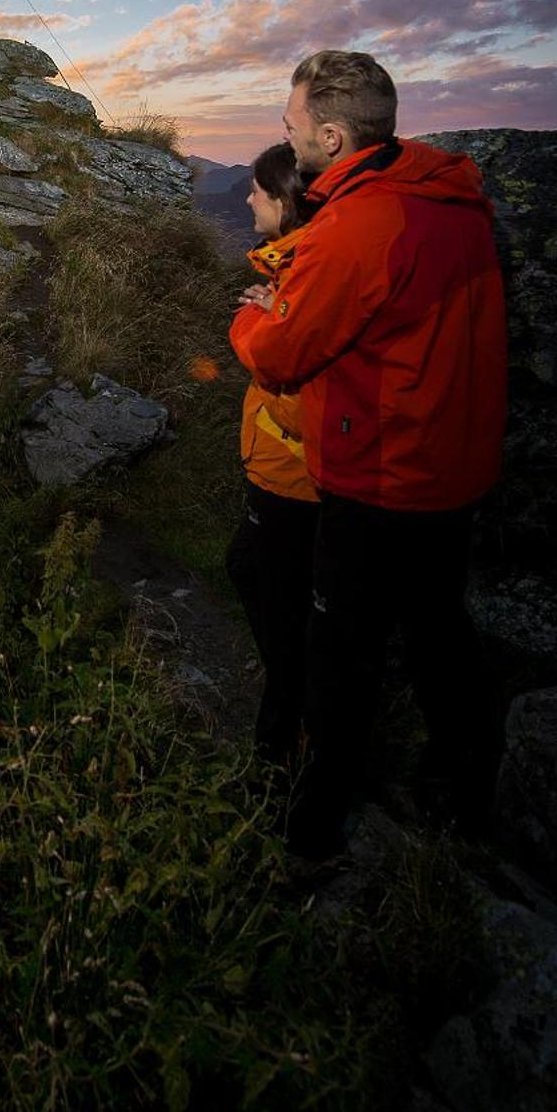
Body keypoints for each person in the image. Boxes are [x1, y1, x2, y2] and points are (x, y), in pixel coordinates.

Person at [230, 50, 507, 857]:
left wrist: (251, 317)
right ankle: (462, 788)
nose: (285, 137)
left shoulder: (358, 225)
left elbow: (279, 354)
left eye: (290, 127)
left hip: (380, 471)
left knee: (337, 653)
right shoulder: (452, 201)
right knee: (435, 632)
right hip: (454, 463)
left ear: (330, 135)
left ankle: (310, 829)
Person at [224, 143, 319, 766]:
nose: (248, 197)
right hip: (281, 469)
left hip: (297, 479)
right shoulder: (296, 270)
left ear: (286, 203)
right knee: (248, 569)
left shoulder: (311, 276)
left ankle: (279, 752)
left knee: (284, 610)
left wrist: (258, 326)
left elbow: (292, 384)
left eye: (259, 190)